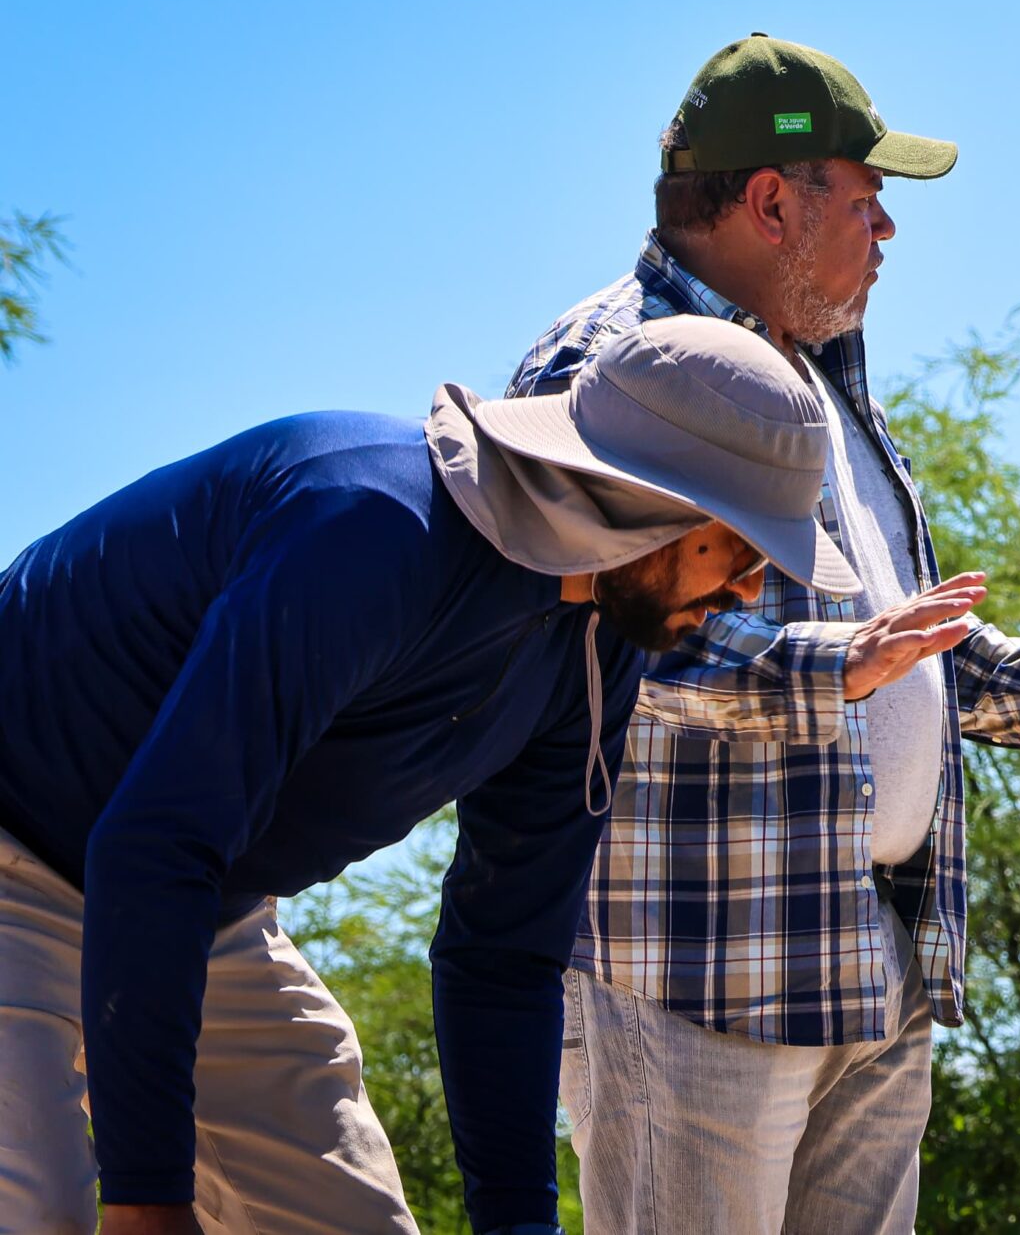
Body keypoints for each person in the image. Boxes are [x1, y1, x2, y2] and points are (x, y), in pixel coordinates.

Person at [511, 33, 1020, 1234]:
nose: (888, 232)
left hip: (869, 949)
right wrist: (840, 667)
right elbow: (598, 636)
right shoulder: (611, 365)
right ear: (771, 202)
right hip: (698, 971)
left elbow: (901, 642)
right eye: (867, 199)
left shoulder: (818, 374)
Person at [0, 315, 860, 1235]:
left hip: (199, 906)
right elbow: (154, 842)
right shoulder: (368, 527)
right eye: (741, 547)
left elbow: (504, 958)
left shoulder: (602, 649)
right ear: (648, 499)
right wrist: (144, 1196)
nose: (751, 588)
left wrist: (519, 1223)